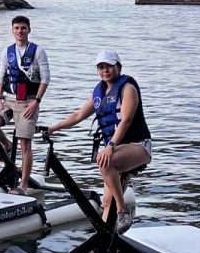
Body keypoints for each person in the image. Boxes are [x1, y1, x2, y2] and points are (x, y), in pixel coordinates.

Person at [46, 49, 151, 232]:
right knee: (106, 201)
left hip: (138, 146)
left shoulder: (128, 88)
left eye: (109, 66)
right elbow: (79, 114)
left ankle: (122, 210)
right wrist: (54, 127)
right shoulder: (99, 92)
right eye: (101, 67)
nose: (105, 70)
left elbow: (125, 119)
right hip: (116, 150)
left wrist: (110, 146)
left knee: (104, 162)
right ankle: (102, 246)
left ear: (118, 67)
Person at [0, 14, 51, 191]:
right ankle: (6, 145)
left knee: (24, 144)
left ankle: (23, 185)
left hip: (28, 101)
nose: (20, 31)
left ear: (29, 30)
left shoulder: (38, 51)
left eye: (23, 28)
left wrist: (36, 102)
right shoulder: (7, 52)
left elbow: (45, 78)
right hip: (9, 99)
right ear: (12, 30)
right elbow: (1, 76)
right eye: (16, 28)